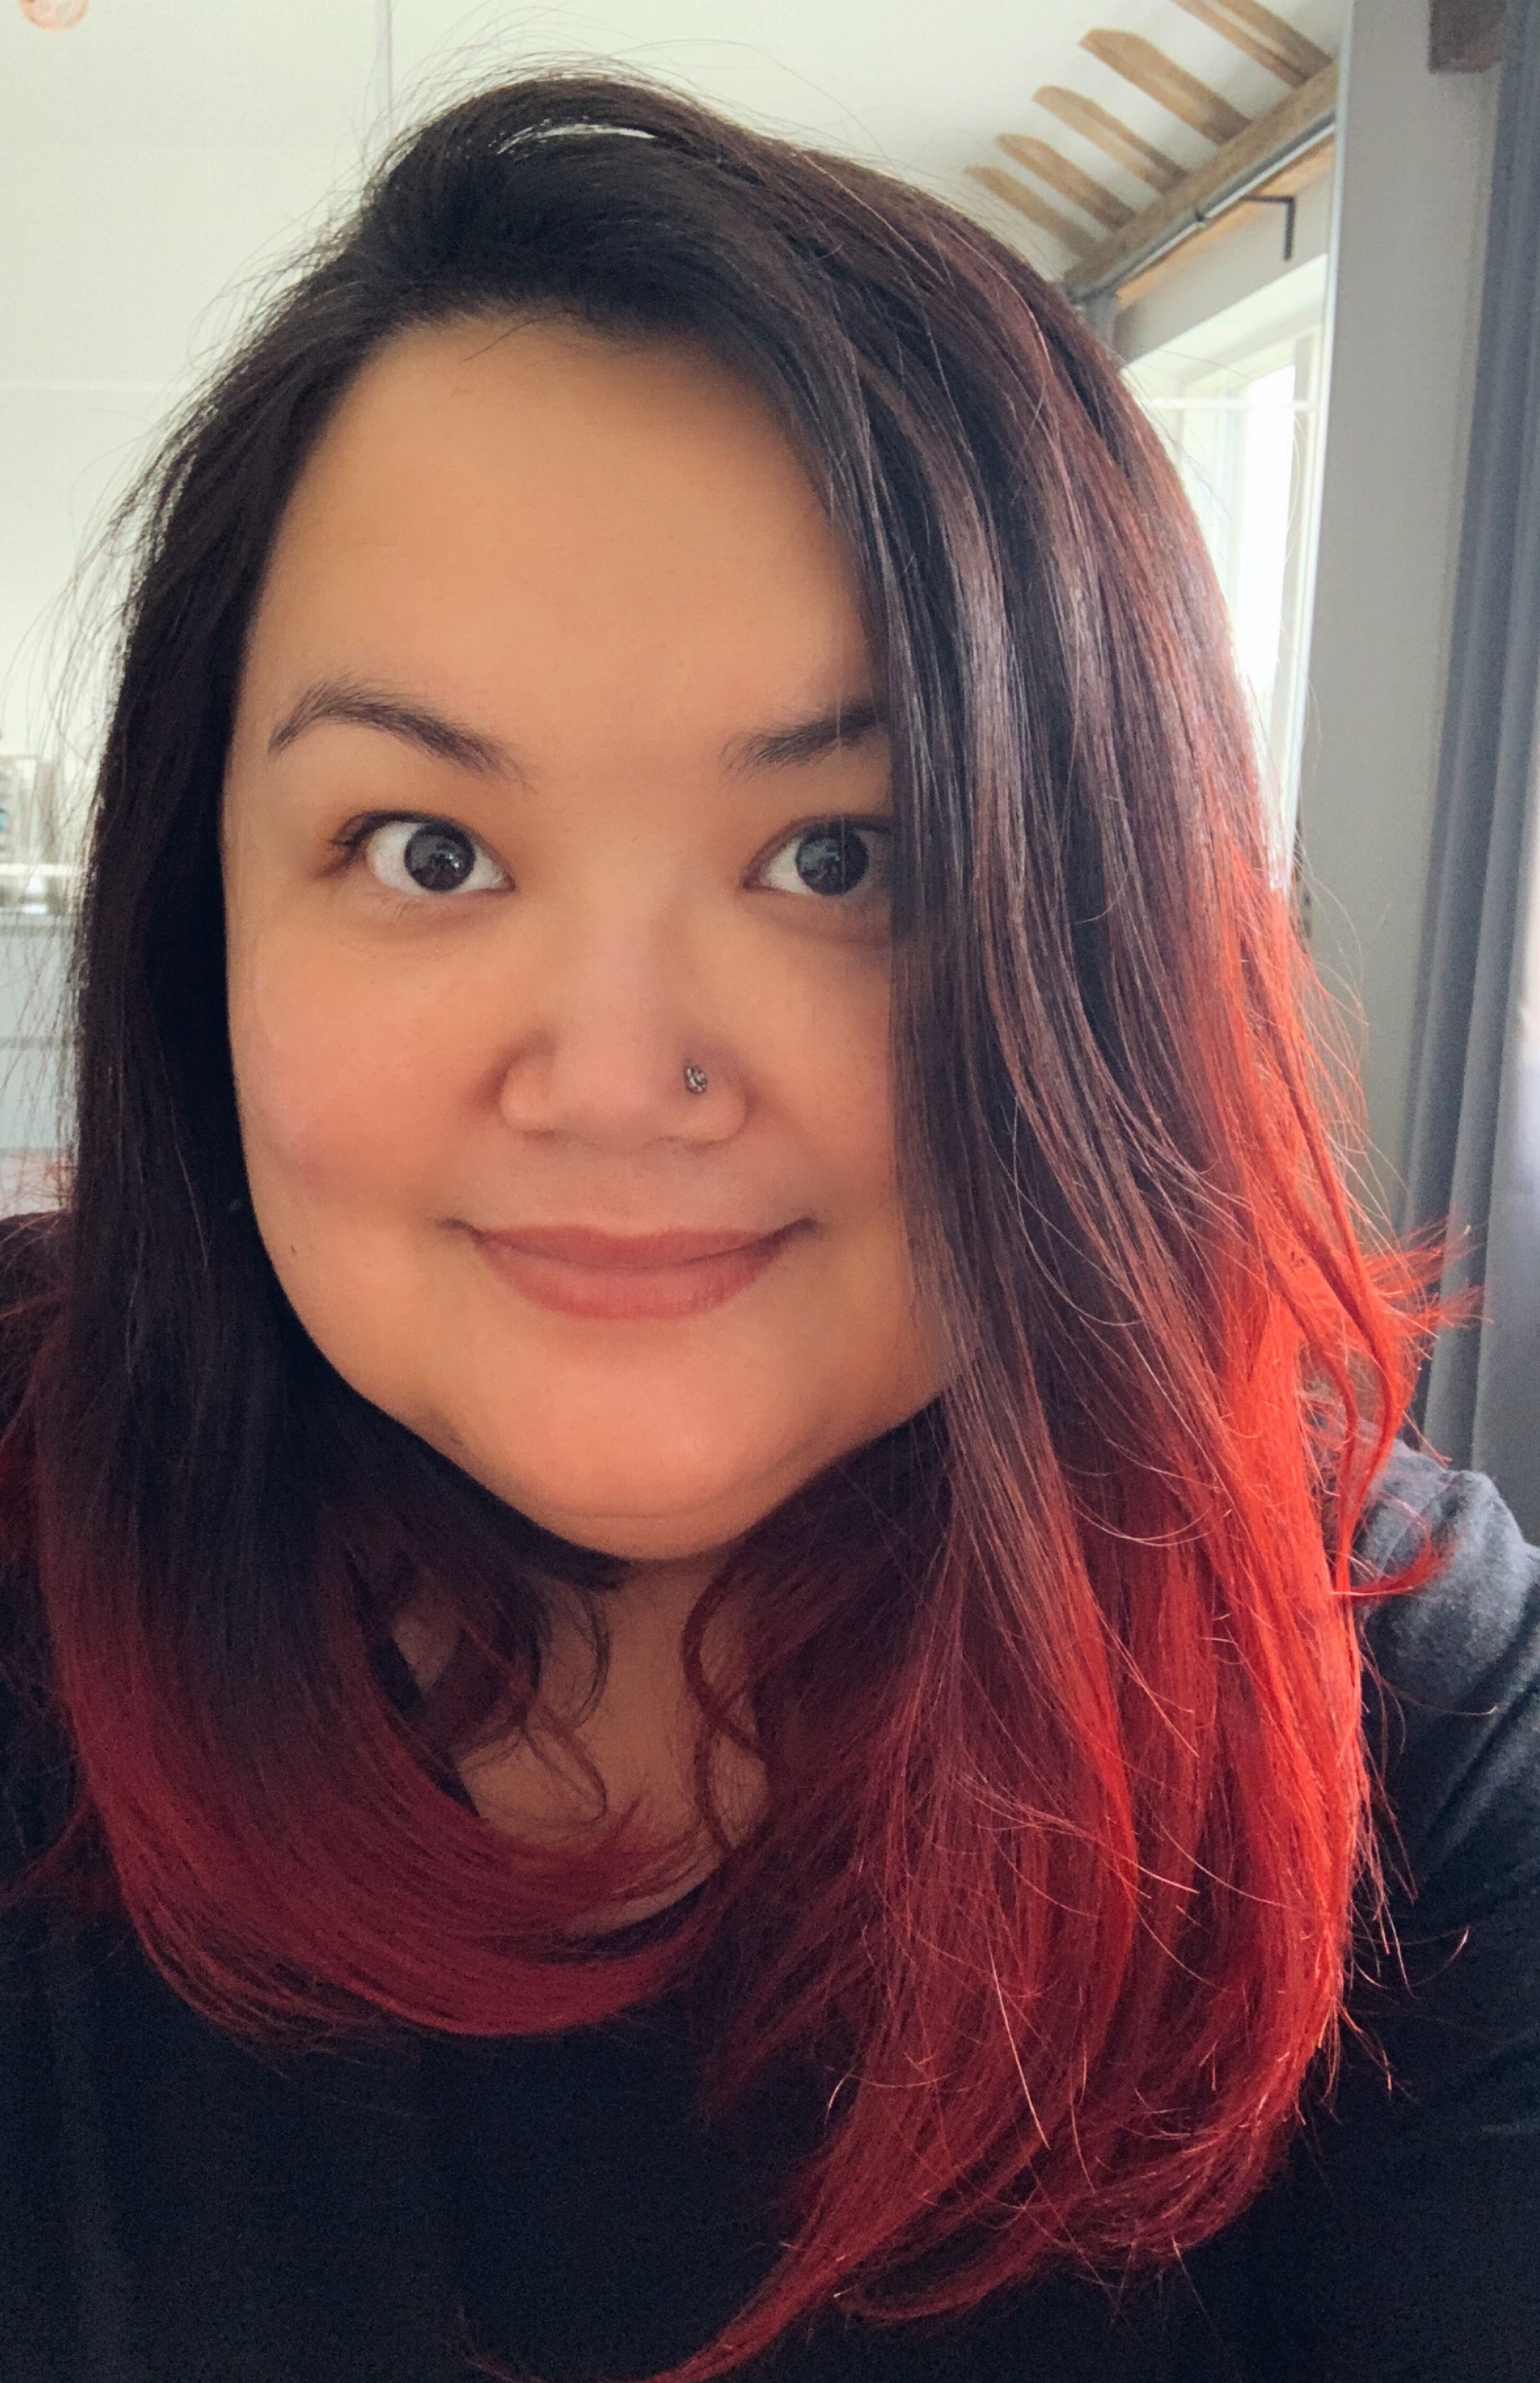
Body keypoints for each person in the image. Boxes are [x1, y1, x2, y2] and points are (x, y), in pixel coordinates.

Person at [0, 68, 1536, 2383]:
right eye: (428, 851)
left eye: (841, 858)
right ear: (194, 928)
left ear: (1107, 925)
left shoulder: (1399, 1708)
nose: (617, 1075)